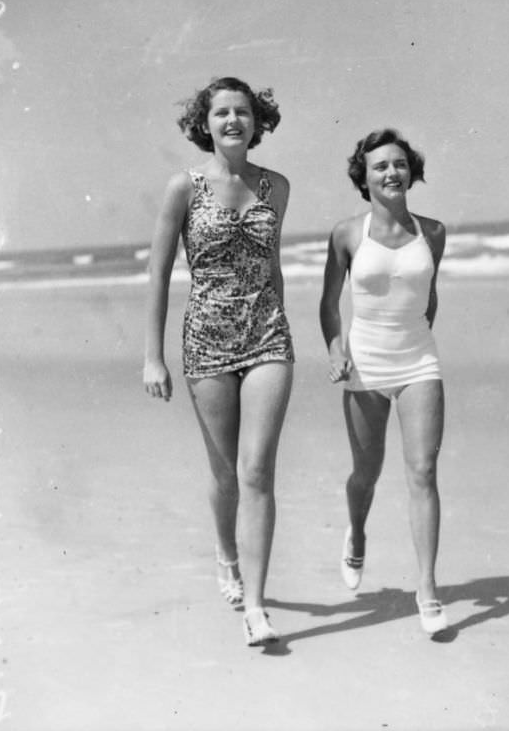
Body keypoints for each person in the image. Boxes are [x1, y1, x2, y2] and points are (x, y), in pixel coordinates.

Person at [143, 76, 294, 646]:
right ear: (204, 124)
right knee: (226, 472)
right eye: (222, 113)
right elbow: (159, 272)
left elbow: (273, 263)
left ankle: (256, 606)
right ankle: (225, 551)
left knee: (258, 470)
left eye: (244, 112)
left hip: (267, 336)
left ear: (258, 122)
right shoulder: (184, 186)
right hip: (206, 339)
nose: (234, 121)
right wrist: (153, 357)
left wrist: (278, 318)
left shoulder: (276, 186)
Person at [319, 127, 448, 635]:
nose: (391, 172)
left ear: (410, 170)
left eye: (399, 164)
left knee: (424, 472)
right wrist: (336, 352)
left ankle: (428, 591)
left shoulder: (434, 232)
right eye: (380, 166)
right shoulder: (347, 234)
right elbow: (329, 304)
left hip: (419, 361)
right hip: (365, 365)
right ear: (364, 177)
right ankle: (355, 533)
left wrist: (415, 343)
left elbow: (427, 297)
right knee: (365, 474)